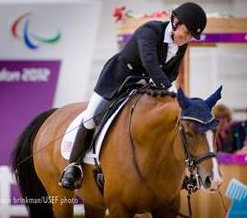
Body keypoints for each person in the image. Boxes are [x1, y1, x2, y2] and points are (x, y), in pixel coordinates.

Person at [59, 2, 207, 190]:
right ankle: (73, 166)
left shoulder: (181, 45)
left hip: (146, 87)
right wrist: (171, 93)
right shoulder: (150, 31)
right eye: (185, 33)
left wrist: (168, 94)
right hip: (117, 81)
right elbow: (150, 64)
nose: (186, 39)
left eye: (190, 37)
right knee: (91, 117)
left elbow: (172, 73)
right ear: (176, 22)